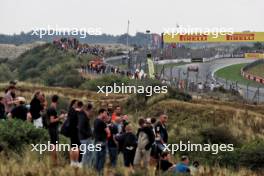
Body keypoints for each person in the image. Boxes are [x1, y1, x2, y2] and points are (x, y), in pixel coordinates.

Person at [47, 95, 65, 166]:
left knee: (53, 145)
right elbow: (51, 121)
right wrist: (60, 118)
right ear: (57, 100)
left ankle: (54, 161)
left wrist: (59, 118)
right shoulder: (52, 109)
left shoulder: (51, 108)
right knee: (54, 146)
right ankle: (54, 162)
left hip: (52, 129)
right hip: (53, 129)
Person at [93, 108, 111, 174]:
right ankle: (100, 173)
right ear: (101, 113)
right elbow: (108, 132)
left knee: (97, 157)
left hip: (96, 141)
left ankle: (96, 172)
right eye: (105, 113)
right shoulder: (102, 122)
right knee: (102, 159)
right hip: (102, 142)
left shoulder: (95, 120)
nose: (106, 114)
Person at [78, 103, 93, 167]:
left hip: (86, 138)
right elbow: (80, 128)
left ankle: (87, 167)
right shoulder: (83, 116)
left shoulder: (84, 116)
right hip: (85, 138)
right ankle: (83, 167)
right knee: (86, 153)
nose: (91, 113)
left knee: (89, 153)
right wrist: (88, 134)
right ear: (88, 110)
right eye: (91, 111)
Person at [68, 99, 80, 167]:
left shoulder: (70, 110)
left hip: (71, 131)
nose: (77, 105)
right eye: (77, 104)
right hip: (75, 131)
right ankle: (76, 162)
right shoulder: (74, 111)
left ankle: (72, 162)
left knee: (72, 146)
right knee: (76, 147)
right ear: (74, 104)